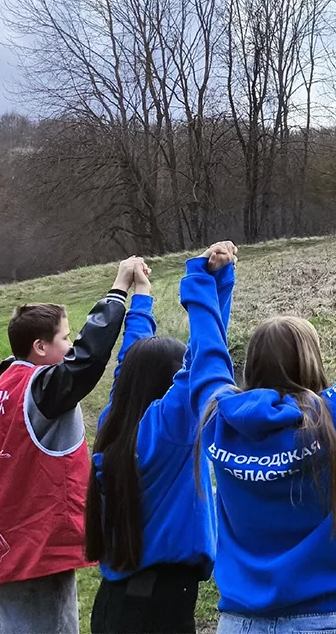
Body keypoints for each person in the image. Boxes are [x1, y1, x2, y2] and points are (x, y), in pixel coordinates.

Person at [187, 247, 336, 634]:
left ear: (251, 365)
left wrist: (205, 280)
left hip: (240, 621)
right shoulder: (330, 418)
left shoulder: (217, 418)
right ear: (310, 361)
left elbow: (206, 356)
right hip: (324, 619)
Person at [0, 257, 137, 634]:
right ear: (40, 347)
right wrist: (118, 290)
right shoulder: (41, 391)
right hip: (35, 544)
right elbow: (88, 359)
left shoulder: (1, 388)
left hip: (3, 537)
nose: (71, 345)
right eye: (65, 338)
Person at [87, 242, 238, 634]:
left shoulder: (116, 420)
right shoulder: (169, 430)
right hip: (158, 610)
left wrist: (141, 295)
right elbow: (204, 358)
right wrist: (211, 281)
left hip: (116, 605)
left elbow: (130, 362)